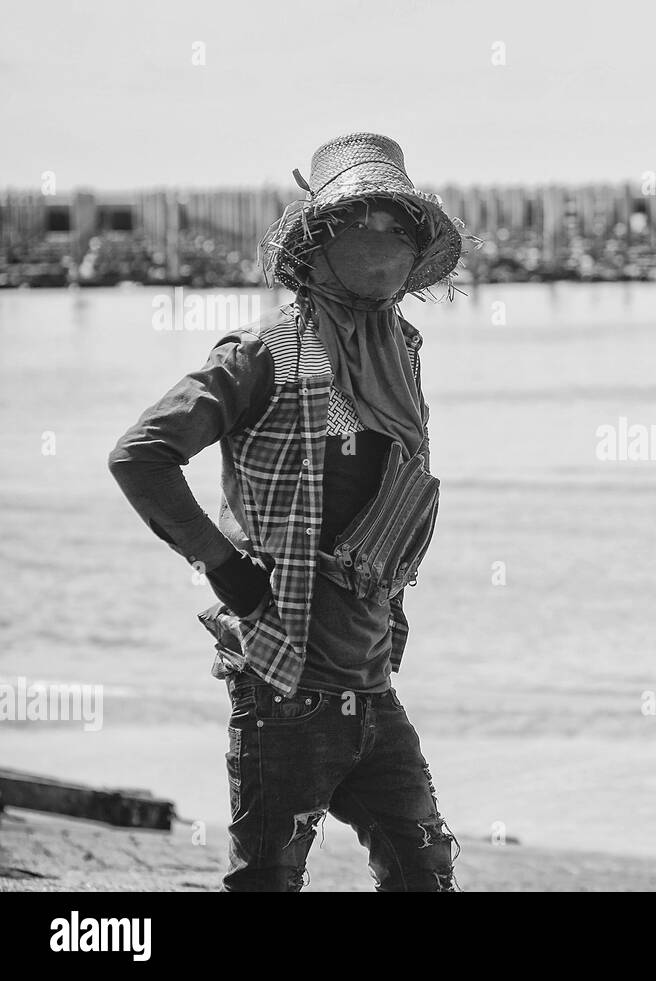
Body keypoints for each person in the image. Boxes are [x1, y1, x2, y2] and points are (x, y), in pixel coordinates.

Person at [108, 133, 472, 891]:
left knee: (424, 867)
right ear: (316, 240)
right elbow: (141, 454)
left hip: (371, 683)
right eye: (362, 218)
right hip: (281, 682)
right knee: (267, 878)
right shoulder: (266, 354)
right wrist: (223, 565)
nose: (384, 237)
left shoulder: (400, 355)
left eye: (397, 223)